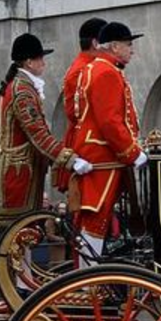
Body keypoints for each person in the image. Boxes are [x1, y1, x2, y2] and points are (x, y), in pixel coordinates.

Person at [0, 33, 93, 228]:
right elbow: (38, 135)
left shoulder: (22, 87)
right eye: (40, 58)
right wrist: (70, 160)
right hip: (19, 172)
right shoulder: (22, 91)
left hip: (25, 170)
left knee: (26, 233)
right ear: (29, 62)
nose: (44, 63)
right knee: (21, 232)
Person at [69, 22, 147, 265]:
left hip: (97, 154)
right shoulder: (106, 72)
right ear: (114, 46)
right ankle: (87, 280)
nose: (131, 50)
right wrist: (133, 153)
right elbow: (110, 122)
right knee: (96, 219)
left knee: (94, 220)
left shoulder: (95, 69)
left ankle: (86, 277)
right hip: (103, 157)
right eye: (128, 44)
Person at [53, 17, 107, 193]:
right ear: (95, 43)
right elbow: (81, 114)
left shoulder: (90, 66)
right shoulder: (83, 70)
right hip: (86, 144)